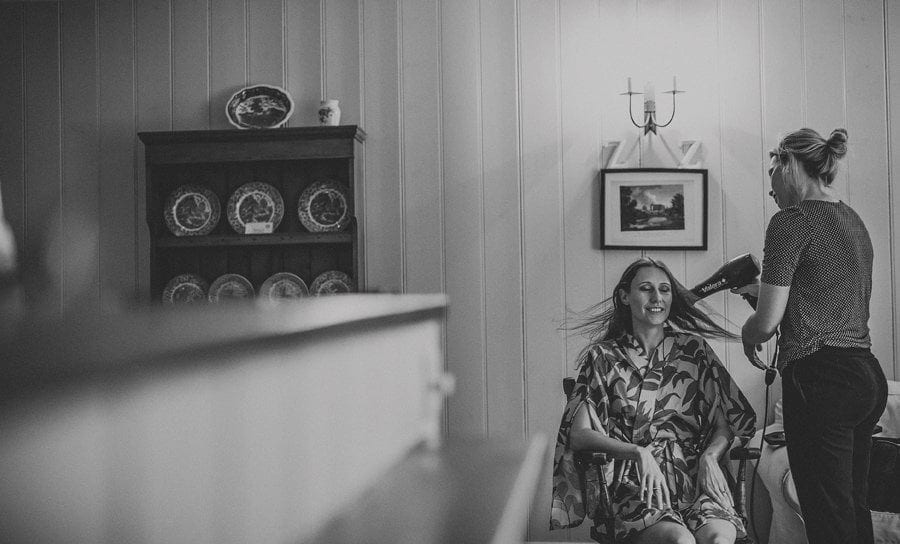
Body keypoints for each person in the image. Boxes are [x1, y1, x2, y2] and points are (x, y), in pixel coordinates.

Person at [737, 128, 889, 544]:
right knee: (851, 509)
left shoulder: (791, 221)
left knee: (828, 522)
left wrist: (748, 334)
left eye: (771, 174)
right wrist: (762, 296)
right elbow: (822, 297)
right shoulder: (853, 221)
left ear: (786, 164)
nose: (770, 191)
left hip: (821, 380)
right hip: (864, 377)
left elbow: (767, 324)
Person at [550, 258, 756, 544]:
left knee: (719, 539)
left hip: (694, 476)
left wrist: (711, 456)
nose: (657, 298)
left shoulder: (693, 349)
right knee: (680, 541)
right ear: (625, 296)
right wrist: (638, 452)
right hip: (636, 484)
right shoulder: (603, 357)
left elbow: (727, 422)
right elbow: (580, 434)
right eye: (646, 289)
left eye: (665, 289)